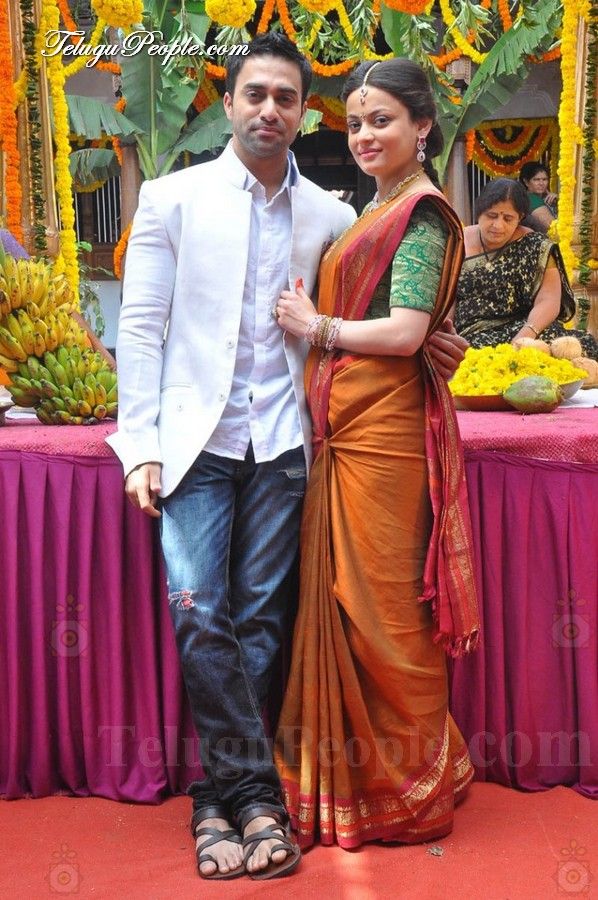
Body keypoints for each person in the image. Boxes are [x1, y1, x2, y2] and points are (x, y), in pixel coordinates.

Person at [107, 36, 468, 879]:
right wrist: (139, 446)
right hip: (194, 443)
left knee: (264, 620)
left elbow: (383, 312)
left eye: (286, 98)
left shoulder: (333, 217)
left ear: (305, 112)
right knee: (199, 607)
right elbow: (141, 328)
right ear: (229, 102)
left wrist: (428, 344)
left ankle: (228, 805)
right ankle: (247, 795)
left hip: (286, 445)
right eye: (255, 94)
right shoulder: (172, 198)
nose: (270, 109)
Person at [273, 58, 479, 850]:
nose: (363, 135)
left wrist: (314, 326)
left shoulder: (419, 213)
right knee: (345, 603)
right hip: (347, 434)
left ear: (422, 126)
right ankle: (352, 781)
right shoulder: (375, 207)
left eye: (381, 120)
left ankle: (407, 788)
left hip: (384, 439)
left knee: (384, 613)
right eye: (355, 122)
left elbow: (406, 332)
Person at [454, 178, 598, 358]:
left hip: (525, 328)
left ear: (520, 217)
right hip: (474, 332)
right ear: (479, 211)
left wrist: (524, 338)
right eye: (492, 216)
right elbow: (446, 299)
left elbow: (548, 300)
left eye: (508, 218)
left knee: (576, 346)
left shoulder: (535, 245)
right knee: (478, 354)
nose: (498, 225)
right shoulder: (457, 242)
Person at [519, 162, 557, 234]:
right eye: (536, 179)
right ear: (526, 182)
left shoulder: (546, 198)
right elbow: (552, 227)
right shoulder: (531, 199)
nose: (541, 183)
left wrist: (558, 201)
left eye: (544, 179)